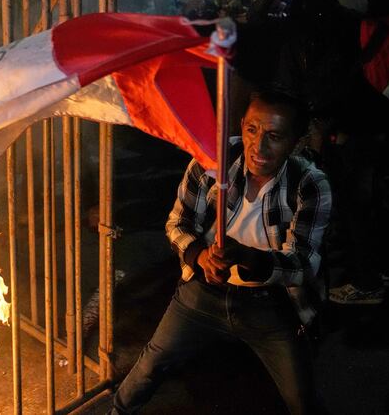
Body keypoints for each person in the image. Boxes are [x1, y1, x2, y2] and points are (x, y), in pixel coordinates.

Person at [110, 89, 332, 415]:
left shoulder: (309, 184)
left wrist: (249, 258)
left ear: (296, 140)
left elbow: (303, 264)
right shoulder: (213, 160)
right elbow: (177, 223)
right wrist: (199, 255)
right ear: (241, 125)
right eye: (252, 130)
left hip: (269, 304)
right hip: (203, 293)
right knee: (148, 367)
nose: (259, 146)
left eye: (275, 136)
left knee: (302, 400)